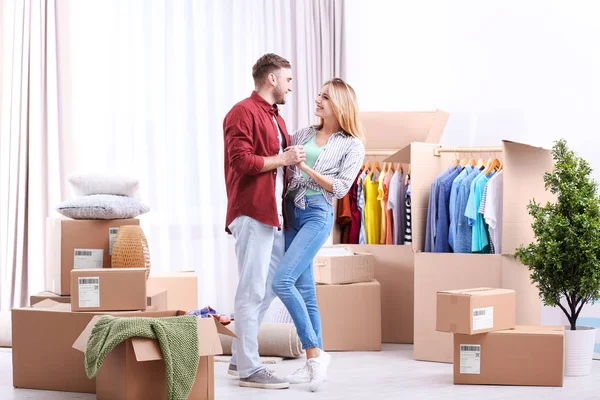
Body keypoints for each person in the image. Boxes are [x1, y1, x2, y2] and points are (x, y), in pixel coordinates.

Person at [272, 78, 366, 392]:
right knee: (307, 292)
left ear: (339, 105)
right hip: (291, 213)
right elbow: (282, 162)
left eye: (325, 97)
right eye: (319, 94)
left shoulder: (352, 145)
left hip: (317, 214)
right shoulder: (303, 134)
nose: (318, 99)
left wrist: (305, 168)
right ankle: (316, 367)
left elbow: (340, 188)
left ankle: (313, 352)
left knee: (282, 281)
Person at [223, 53, 306, 389]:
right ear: (271, 79)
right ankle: (250, 369)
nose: (290, 86)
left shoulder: (276, 118)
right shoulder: (242, 112)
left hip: (272, 216)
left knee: (272, 285)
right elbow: (241, 161)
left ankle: (239, 358)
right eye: (287, 79)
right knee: (252, 288)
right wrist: (283, 158)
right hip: (252, 212)